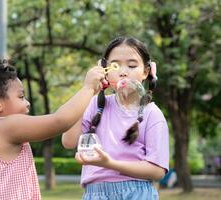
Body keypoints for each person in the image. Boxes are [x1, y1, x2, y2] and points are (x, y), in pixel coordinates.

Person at [0, 52, 106, 200]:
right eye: (21, 96)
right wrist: (88, 88)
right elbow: (60, 121)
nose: (27, 103)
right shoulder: (7, 126)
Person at [62, 36, 169, 200]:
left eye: (132, 65)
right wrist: (89, 89)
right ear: (104, 70)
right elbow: (68, 142)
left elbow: (157, 171)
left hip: (137, 193)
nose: (123, 71)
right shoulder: (93, 104)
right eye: (115, 65)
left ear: (145, 72)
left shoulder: (152, 114)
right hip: (95, 194)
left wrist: (109, 164)